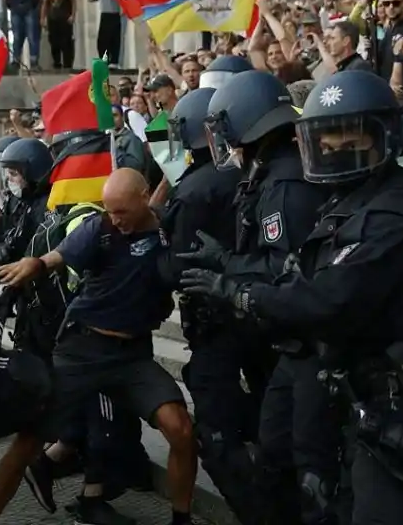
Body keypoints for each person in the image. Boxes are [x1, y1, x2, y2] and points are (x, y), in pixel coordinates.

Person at [181, 69, 403, 525]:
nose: (335, 149)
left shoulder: (400, 210)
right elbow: (300, 270)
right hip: (357, 389)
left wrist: (236, 291)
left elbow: (328, 297)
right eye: (326, 139)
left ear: (383, 136)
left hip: (398, 401)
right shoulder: (352, 197)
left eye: (349, 137)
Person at [0, 168, 196, 525]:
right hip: (82, 349)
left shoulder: (164, 228)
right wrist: (34, 264)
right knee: (30, 437)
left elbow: (159, 206)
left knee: (181, 429)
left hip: (132, 357)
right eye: (110, 211)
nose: (116, 220)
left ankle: (181, 519)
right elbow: (58, 257)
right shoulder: (98, 229)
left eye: (123, 212)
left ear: (143, 198)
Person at [180, 71, 336, 524]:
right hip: (293, 340)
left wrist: (225, 264)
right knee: (276, 452)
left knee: (302, 466)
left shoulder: (283, 184)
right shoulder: (276, 171)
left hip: (306, 341)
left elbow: (284, 267)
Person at [154, 88, 263, 525]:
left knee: (217, 435)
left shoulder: (194, 189)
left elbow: (174, 269)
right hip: (258, 314)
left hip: (217, 323)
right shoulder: (249, 174)